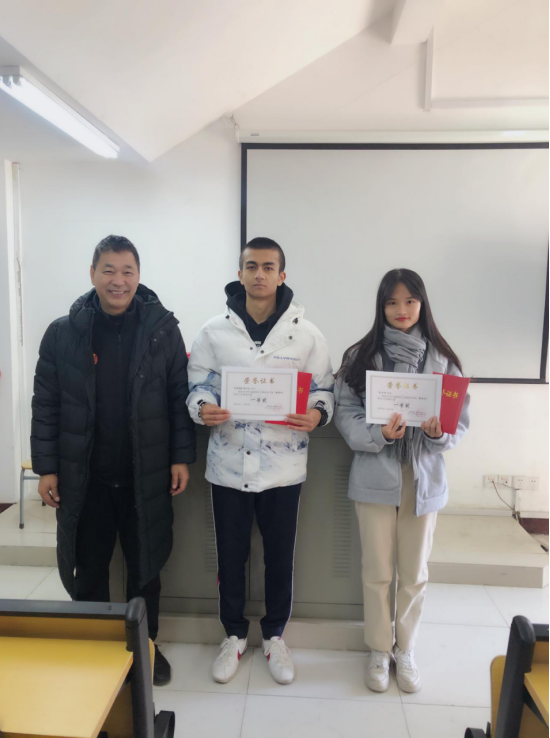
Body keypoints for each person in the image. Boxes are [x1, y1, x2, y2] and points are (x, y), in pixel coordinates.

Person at [31, 235, 196, 686]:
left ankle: (145, 649)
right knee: (89, 569)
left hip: (146, 473)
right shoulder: (63, 333)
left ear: (139, 276)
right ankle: (93, 650)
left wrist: (181, 458)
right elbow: (46, 404)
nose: (118, 280)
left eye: (127, 271)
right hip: (87, 477)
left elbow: (177, 396)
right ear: (92, 274)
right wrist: (46, 467)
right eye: (108, 270)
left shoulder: (162, 330)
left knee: (146, 570)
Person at [187, 237, 334, 686]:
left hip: (282, 469)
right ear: (240, 273)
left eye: (269, 267)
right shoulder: (214, 331)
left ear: (282, 275)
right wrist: (202, 407)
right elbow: (198, 385)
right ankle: (232, 635)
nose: (259, 274)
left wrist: (316, 414)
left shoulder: (307, 335)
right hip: (228, 465)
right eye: (251, 266)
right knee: (230, 558)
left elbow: (324, 390)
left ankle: (274, 636)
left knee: (279, 559)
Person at [334, 268, 470, 694]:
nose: (401, 309)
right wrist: (378, 434)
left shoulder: (444, 360)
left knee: (414, 571)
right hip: (376, 474)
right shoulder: (361, 356)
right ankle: (379, 649)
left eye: (409, 300)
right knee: (376, 569)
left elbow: (459, 421)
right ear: (381, 306)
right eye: (392, 302)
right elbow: (345, 414)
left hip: (422, 477)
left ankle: (405, 648)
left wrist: (438, 434)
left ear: (422, 304)